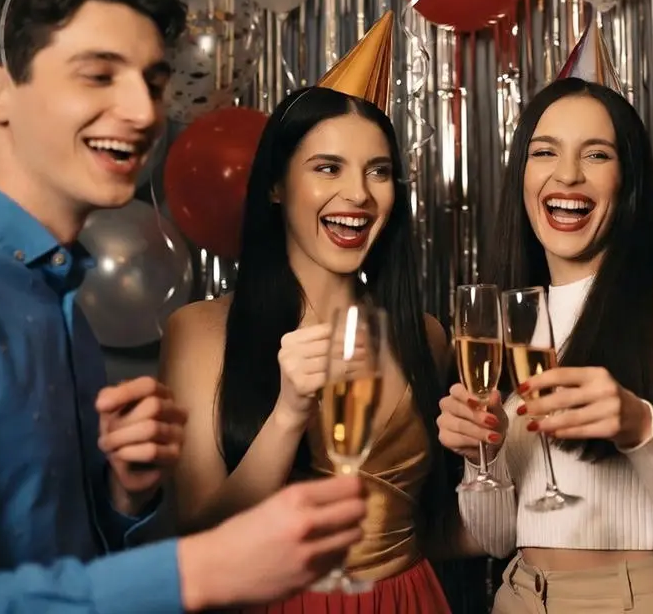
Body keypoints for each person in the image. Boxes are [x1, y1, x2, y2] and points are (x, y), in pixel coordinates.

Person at [0, 0, 369, 613]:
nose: (144, 113)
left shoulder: (53, 292)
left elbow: (57, 560)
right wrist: (194, 572)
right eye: (99, 74)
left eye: (154, 82)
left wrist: (122, 495)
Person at [438, 77, 653, 613]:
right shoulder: (511, 320)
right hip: (520, 595)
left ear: (627, 180)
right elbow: (494, 540)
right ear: (523, 176)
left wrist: (639, 425)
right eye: (544, 152)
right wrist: (481, 457)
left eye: (596, 154)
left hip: (635, 598)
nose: (568, 174)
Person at [161, 86, 465, 613]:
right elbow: (200, 531)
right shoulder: (200, 331)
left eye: (378, 171)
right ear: (277, 185)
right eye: (328, 168)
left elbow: (435, 524)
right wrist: (288, 414)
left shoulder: (427, 336)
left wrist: (502, 461)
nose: (358, 195)